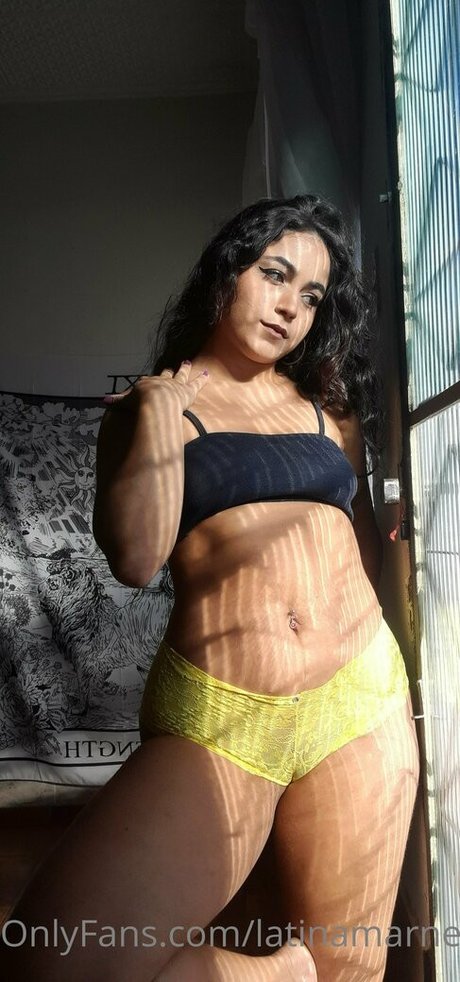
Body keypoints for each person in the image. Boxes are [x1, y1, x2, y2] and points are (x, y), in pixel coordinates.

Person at [0, 195, 419, 981]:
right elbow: (136, 557)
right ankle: (279, 971)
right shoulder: (148, 410)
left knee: (353, 969)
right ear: (229, 272)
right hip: (225, 713)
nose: (291, 308)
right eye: (276, 275)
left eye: (312, 296)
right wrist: (162, 414)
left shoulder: (326, 410)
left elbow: (357, 544)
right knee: (53, 963)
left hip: (360, 698)